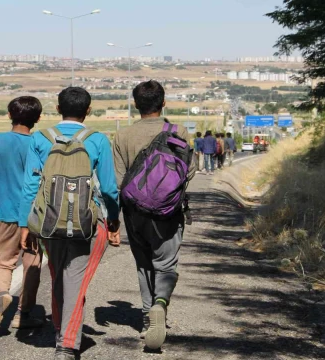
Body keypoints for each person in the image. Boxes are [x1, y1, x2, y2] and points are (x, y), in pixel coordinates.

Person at [18, 87, 121, 360]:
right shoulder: (97, 139)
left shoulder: (40, 138)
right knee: (75, 280)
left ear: (57, 108)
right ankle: (66, 345)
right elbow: (110, 188)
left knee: (58, 276)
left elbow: (30, 186)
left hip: (48, 222)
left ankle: (61, 330)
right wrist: (113, 220)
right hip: (86, 222)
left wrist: (25, 225)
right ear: (88, 110)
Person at [113, 80, 196, 350]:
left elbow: (117, 181)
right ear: (163, 103)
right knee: (166, 263)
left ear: (136, 104)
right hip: (169, 212)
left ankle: (148, 317)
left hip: (134, 212)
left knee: (144, 264)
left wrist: (114, 218)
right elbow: (189, 172)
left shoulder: (122, 135)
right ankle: (161, 304)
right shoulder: (178, 130)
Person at [0, 96, 45, 333]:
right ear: (38, 118)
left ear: (9, 115)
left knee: (2, 264)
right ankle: (23, 314)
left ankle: (3, 294)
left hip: (3, 214)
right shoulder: (41, 143)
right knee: (33, 264)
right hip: (34, 217)